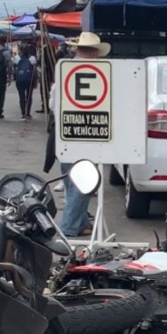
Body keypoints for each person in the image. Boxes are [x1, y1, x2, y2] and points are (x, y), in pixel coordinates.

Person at [53, 32, 111, 237]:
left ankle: (81, 223)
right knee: (83, 183)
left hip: (66, 132)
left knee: (71, 181)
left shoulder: (64, 69)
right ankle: (68, 228)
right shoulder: (103, 72)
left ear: (77, 49)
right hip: (91, 133)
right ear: (95, 52)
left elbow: (53, 103)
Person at [14, 44, 38, 120]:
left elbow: (14, 69)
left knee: (21, 97)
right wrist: (35, 81)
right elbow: (34, 71)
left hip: (20, 80)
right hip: (29, 80)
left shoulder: (17, 58)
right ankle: (28, 112)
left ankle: (23, 112)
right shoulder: (32, 58)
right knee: (29, 97)